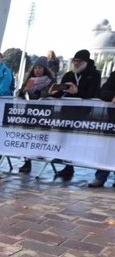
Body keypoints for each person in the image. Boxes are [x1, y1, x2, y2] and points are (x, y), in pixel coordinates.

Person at [48, 49, 101, 181]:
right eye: (74, 61)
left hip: (83, 112)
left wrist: (77, 91)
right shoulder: (69, 75)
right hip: (67, 111)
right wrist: (53, 92)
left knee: (73, 138)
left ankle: (70, 163)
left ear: (85, 62)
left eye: (79, 61)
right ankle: (66, 164)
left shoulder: (94, 75)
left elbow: (92, 94)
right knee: (63, 136)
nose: (76, 64)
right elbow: (62, 91)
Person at [15, 57, 55, 173]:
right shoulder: (29, 80)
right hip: (29, 112)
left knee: (39, 137)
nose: (37, 70)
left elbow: (46, 95)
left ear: (44, 69)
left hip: (43, 113)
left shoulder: (49, 81)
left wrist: (35, 92)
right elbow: (19, 93)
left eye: (40, 68)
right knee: (28, 137)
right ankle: (27, 162)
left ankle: (39, 155)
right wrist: (24, 91)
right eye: (36, 68)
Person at [87, 70, 115, 187]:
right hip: (112, 121)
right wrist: (113, 96)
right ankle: (100, 177)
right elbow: (102, 92)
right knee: (107, 150)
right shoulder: (114, 75)